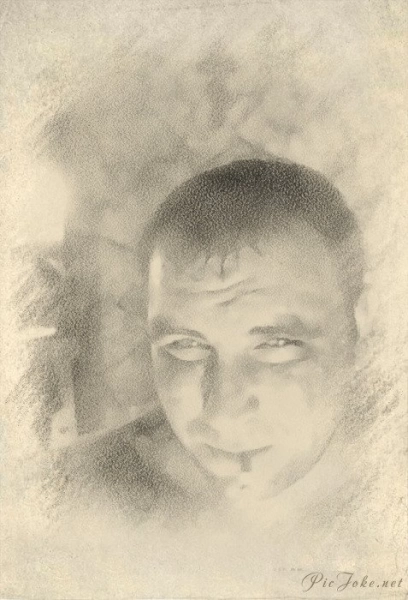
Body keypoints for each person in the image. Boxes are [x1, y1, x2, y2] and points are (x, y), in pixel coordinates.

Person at [57, 158, 368, 534]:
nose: (224, 411)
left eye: (277, 344)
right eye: (185, 345)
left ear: (356, 328)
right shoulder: (60, 502)